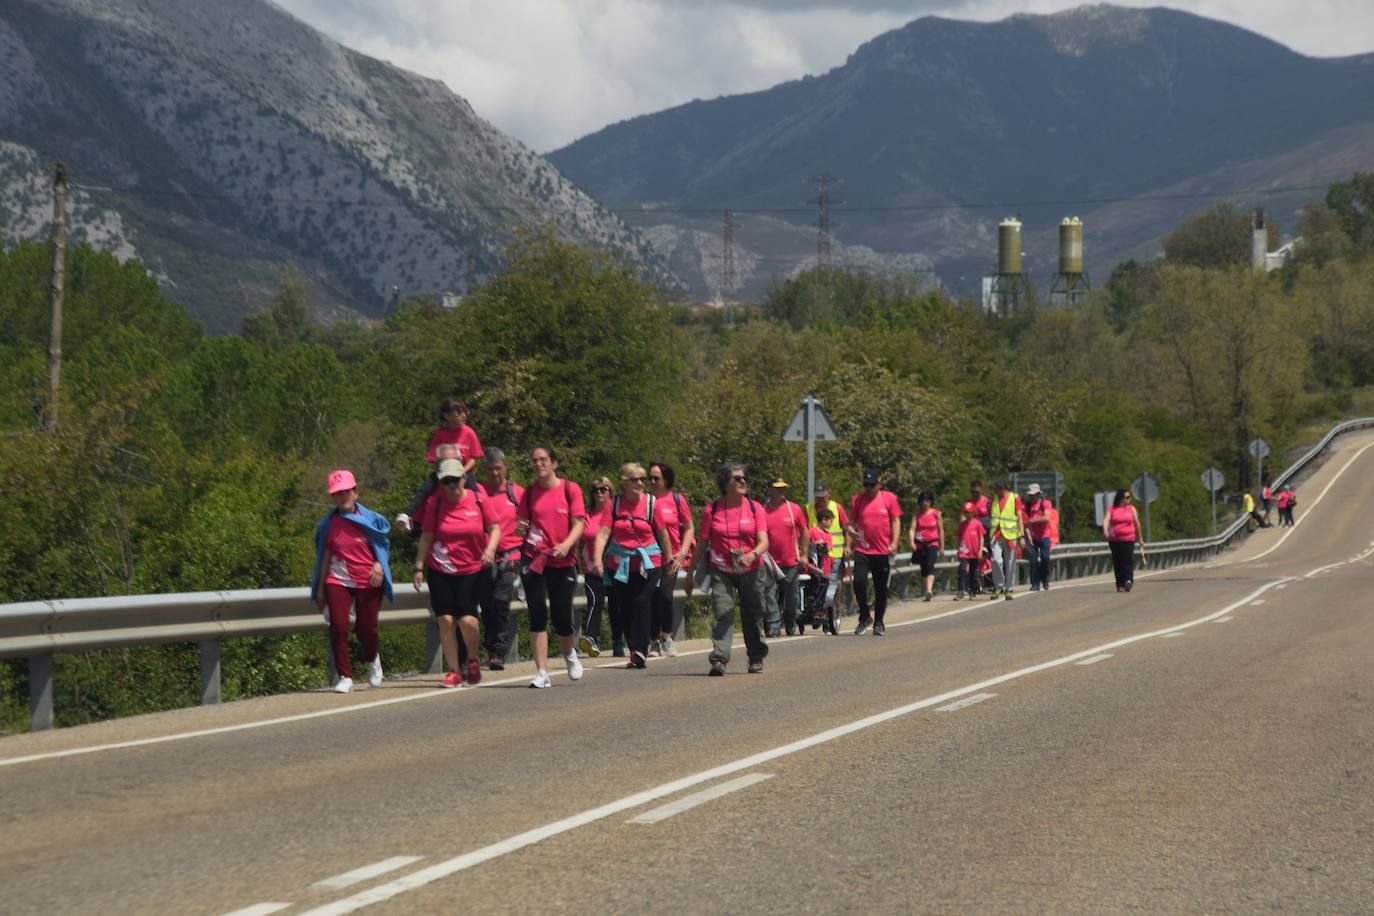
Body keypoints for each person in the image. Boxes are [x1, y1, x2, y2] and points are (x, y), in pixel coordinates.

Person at [412, 459, 501, 687]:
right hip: (441, 568)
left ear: (464, 478)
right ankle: (453, 670)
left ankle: (472, 658)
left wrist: (490, 549)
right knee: (445, 619)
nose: (452, 486)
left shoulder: (478, 499)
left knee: (468, 621)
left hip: (471, 568)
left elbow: (494, 528)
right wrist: (419, 566)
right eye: (446, 481)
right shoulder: (436, 503)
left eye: (455, 480)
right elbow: (427, 537)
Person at [310, 469, 393, 694]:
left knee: (367, 628)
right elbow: (324, 557)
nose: (342, 497)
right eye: (337, 494)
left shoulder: (371, 519)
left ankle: (373, 660)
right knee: (338, 625)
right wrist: (319, 590)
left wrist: (379, 565)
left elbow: (383, 545)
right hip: (337, 579)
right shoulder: (328, 525)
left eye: (346, 492)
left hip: (368, 579)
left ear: (356, 493)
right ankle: (345, 676)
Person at [686, 462, 770, 676]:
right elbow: (702, 543)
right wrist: (689, 574)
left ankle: (756, 656)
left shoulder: (755, 507)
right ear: (725, 483)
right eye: (737, 478)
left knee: (753, 613)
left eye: (744, 478)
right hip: (721, 569)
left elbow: (764, 541)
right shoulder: (712, 509)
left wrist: (752, 554)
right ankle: (719, 658)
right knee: (723, 611)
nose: (743, 481)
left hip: (751, 568)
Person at [515, 446, 587, 689]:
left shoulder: (570, 489)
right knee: (537, 613)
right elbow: (523, 522)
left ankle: (569, 654)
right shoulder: (529, 493)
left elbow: (579, 523)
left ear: (554, 463)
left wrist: (567, 544)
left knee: (561, 615)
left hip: (563, 560)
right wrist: (520, 528)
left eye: (543, 460)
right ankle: (542, 672)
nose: (538, 464)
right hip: (534, 558)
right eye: (534, 460)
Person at [590, 463, 673, 669]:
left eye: (642, 479)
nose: (640, 483)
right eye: (635, 479)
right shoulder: (615, 504)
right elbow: (603, 534)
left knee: (641, 601)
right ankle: (633, 648)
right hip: (619, 563)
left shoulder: (651, 503)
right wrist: (597, 559)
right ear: (623, 483)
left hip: (648, 561)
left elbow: (663, 534)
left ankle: (640, 650)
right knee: (625, 605)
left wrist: (669, 559)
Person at [474, 448, 524, 670]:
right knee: (487, 606)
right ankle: (490, 646)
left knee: (500, 601)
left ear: (506, 467)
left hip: (509, 556)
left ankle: (499, 651)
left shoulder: (517, 493)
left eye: (499, 468)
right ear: (485, 469)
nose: (495, 473)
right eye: (491, 469)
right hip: (483, 558)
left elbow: (531, 520)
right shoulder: (478, 492)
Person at [847, 468, 902, 635]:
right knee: (859, 583)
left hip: (882, 551)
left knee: (881, 589)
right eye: (866, 485)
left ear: (879, 483)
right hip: (863, 549)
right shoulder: (858, 500)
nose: (868, 488)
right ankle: (864, 616)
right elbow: (851, 523)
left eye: (872, 485)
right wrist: (849, 535)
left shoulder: (889, 498)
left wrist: (894, 542)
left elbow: (896, 521)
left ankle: (878, 622)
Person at [648, 462, 695, 656]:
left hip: (671, 558)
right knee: (651, 599)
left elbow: (690, 527)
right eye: (649, 478)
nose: (651, 481)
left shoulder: (676, 499)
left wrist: (683, 552)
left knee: (666, 597)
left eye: (655, 478)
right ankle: (653, 641)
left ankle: (667, 637)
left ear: (666, 480)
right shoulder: (645, 501)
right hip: (649, 557)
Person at [763, 478, 808, 636]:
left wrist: (804, 554)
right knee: (769, 594)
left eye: (783, 488)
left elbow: (804, 531)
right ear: (770, 489)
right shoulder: (763, 511)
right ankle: (774, 625)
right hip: (770, 562)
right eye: (777, 488)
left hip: (790, 561)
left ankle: (790, 622)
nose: (781, 491)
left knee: (791, 596)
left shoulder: (794, 509)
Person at [580, 475, 616, 657]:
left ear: (611, 492)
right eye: (595, 490)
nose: (599, 493)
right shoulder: (586, 514)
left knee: (618, 606)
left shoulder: (617, 512)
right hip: (591, 568)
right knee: (595, 601)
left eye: (603, 489)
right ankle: (590, 637)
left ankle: (619, 641)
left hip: (617, 567)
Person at [395, 442, 460, 534]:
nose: (448, 465)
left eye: (452, 461)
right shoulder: (432, 485)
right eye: (443, 461)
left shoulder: (471, 489)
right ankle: (406, 515)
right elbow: (420, 495)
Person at [802, 507, 843, 632]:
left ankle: (823, 615)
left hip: (825, 566)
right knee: (813, 589)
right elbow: (806, 544)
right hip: (814, 566)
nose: (831, 524)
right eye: (830, 521)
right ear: (823, 520)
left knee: (825, 591)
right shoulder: (812, 531)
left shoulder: (828, 535)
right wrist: (816, 543)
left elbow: (828, 549)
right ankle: (811, 612)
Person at [426, 398, 484, 477]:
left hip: (465, 472)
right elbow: (433, 459)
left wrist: (462, 471)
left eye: (465, 411)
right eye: (459, 413)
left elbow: (474, 458)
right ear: (447, 416)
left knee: (474, 488)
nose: (463, 415)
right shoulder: (440, 434)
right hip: (444, 472)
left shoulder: (469, 433)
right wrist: (441, 472)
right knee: (425, 489)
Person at [987, 480, 1025, 599]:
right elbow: (991, 515)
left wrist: (1021, 536)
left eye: (996, 489)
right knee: (995, 560)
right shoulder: (994, 499)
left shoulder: (1015, 498)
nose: (994, 491)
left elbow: (1019, 517)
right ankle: (998, 585)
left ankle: (1009, 589)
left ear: (1002, 488)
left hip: (1011, 535)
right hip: (996, 534)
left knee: (1010, 563)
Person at [1103, 489, 1144, 592]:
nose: (1129, 499)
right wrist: (1105, 531)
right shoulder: (1112, 509)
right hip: (1115, 539)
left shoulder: (1131, 509)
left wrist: (1140, 537)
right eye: (1127, 497)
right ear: (1121, 498)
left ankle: (1128, 580)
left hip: (1128, 539)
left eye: (1129, 497)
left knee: (1127, 560)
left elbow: (1136, 523)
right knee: (1118, 561)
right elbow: (1106, 520)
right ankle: (1120, 584)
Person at [906, 491, 943, 602]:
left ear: (931, 502)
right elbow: (912, 529)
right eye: (923, 501)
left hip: (933, 543)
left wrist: (942, 546)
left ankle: (929, 590)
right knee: (923, 568)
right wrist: (912, 542)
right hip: (920, 544)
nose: (925, 503)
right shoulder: (916, 514)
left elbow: (941, 530)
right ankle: (927, 590)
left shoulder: (936, 514)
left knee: (929, 565)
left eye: (927, 500)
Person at [806, 482, 849, 568]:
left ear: (829, 493)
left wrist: (848, 546)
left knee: (833, 580)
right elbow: (804, 532)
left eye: (822, 495)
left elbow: (846, 529)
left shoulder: (837, 507)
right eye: (818, 496)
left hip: (835, 555)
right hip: (814, 555)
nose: (820, 498)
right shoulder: (808, 509)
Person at [1022, 484, 1053, 592]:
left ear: (1039, 494)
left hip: (1044, 535)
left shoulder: (1045, 503)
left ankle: (1045, 579)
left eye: (1034, 495)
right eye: (1030, 495)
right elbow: (1025, 522)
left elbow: (1046, 518)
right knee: (1033, 560)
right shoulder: (1027, 506)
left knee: (1045, 558)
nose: (1032, 497)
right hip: (1032, 536)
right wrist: (1028, 535)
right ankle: (1035, 584)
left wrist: (1032, 521)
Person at [954, 502, 985, 600]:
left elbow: (981, 538)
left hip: (974, 552)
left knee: (973, 573)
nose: (968, 514)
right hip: (964, 551)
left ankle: (972, 591)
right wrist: (958, 550)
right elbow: (959, 537)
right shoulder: (962, 525)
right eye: (966, 512)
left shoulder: (977, 524)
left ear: (973, 513)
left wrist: (980, 550)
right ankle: (960, 591)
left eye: (970, 512)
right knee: (962, 570)